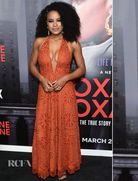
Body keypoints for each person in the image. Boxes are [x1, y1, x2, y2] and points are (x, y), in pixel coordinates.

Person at [29, 2, 85, 180]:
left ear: (65, 22)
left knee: (64, 128)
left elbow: (81, 69)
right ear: (45, 23)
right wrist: (41, 78)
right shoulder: (39, 42)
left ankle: (61, 167)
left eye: (58, 21)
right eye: (51, 21)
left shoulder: (72, 43)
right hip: (45, 91)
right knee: (45, 129)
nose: (54, 24)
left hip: (65, 92)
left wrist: (65, 78)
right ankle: (45, 166)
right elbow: (32, 65)